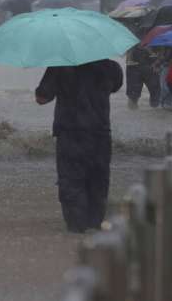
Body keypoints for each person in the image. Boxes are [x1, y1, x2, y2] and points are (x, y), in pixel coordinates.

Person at [35, 59, 123, 233]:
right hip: (100, 132)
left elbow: (42, 98)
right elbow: (115, 87)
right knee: (99, 180)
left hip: (70, 132)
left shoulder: (60, 65)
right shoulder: (111, 66)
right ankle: (95, 224)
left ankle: (76, 227)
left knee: (71, 180)